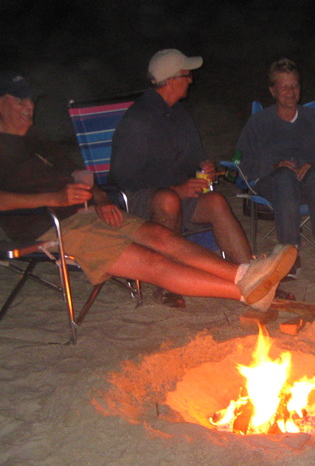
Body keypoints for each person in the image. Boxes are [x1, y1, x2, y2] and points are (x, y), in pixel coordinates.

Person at [0, 72, 296, 312]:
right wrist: (55, 200)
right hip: (50, 228)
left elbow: (81, 175)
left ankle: (246, 273)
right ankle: (245, 293)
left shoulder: (36, 137)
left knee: (162, 237)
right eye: (19, 101)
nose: (29, 107)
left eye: (30, 100)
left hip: (86, 213)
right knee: (151, 262)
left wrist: (99, 199)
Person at [109, 49, 254, 307]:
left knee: (216, 202)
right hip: (138, 200)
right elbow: (123, 177)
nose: (191, 80)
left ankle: (251, 276)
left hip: (178, 194)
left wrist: (203, 166)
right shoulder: (138, 120)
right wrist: (176, 188)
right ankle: (167, 284)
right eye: (187, 75)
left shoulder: (179, 114)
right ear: (172, 79)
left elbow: (195, 157)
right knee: (168, 200)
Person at [234, 59, 315, 272]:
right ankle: (290, 251)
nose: (291, 91)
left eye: (295, 85)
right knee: (284, 177)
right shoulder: (259, 123)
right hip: (273, 185)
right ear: (273, 90)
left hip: (312, 187)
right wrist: (273, 165)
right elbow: (239, 161)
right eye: (284, 87)